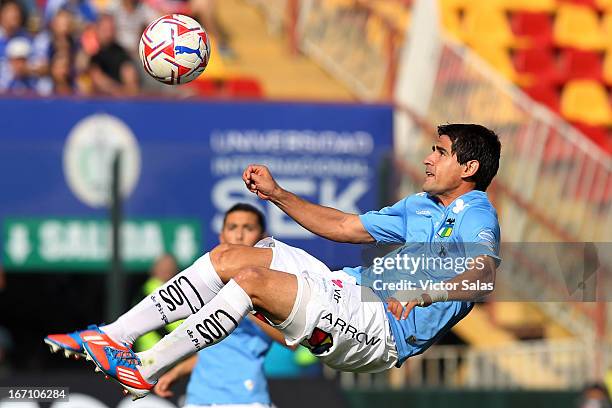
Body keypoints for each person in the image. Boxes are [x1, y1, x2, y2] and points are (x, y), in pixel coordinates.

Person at [47, 123, 502, 399]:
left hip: (379, 332)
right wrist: (278, 194)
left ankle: (146, 366)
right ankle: (111, 336)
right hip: (347, 290)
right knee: (232, 255)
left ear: (468, 169)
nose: (428, 158)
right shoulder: (421, 205)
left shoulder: (477, 215)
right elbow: (343, 227)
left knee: (249, 281)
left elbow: (482, 276)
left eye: (440, 152)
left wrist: (427, 290)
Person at [154, 203, 292, 407]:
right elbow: (213, 352)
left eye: (248, 228)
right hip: (199, 399)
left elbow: (291, 340)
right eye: (233, 227)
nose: (239, 235)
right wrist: (177, 372)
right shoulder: (207, 282)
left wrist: (246, 300)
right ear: (222, 236)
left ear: (263, 237)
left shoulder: (273, 285)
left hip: (245, 398)